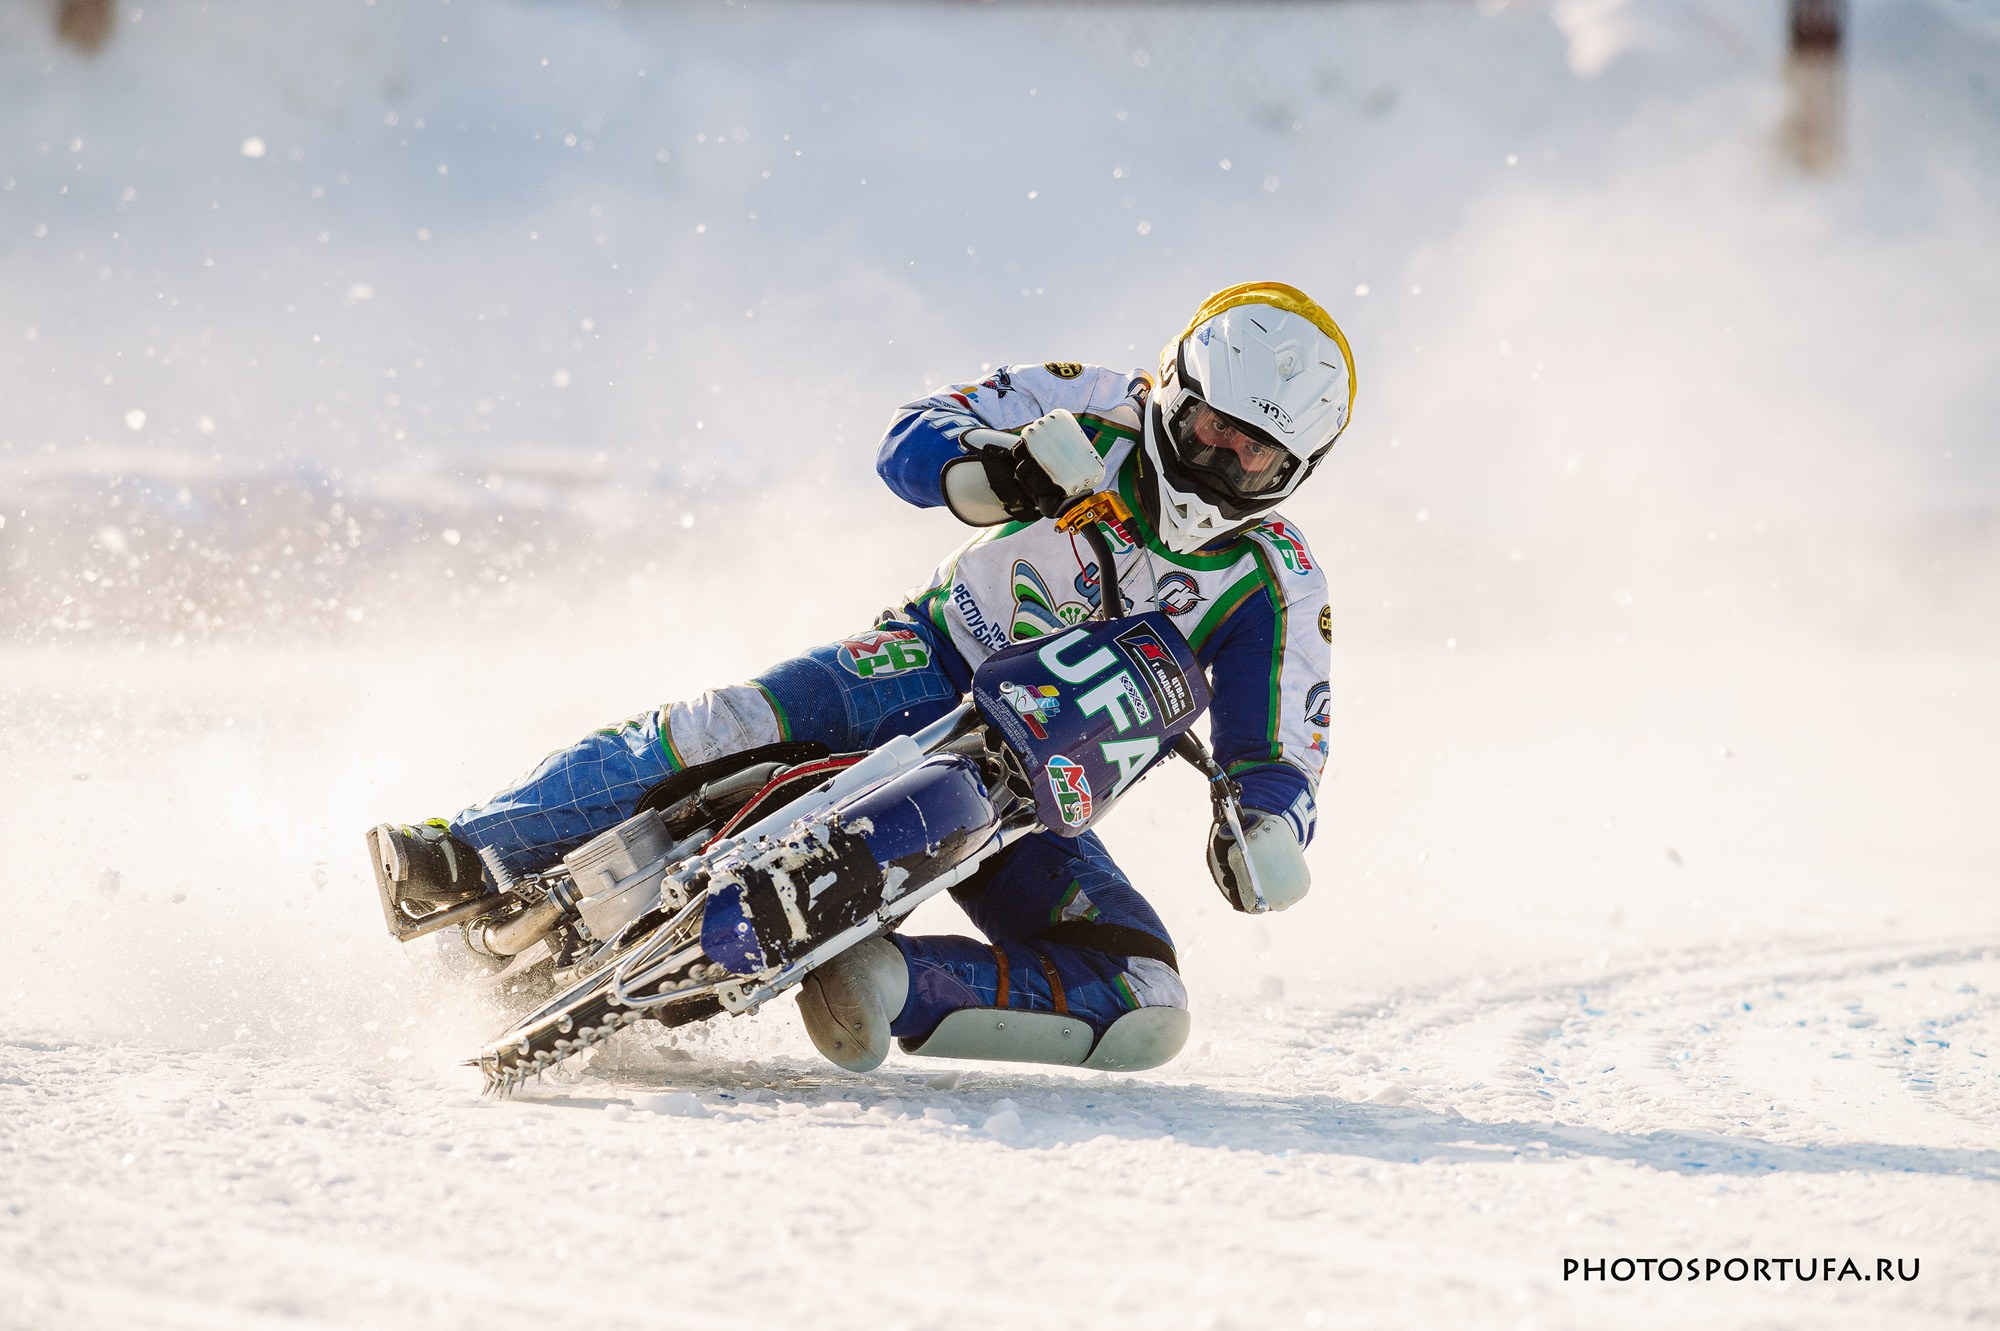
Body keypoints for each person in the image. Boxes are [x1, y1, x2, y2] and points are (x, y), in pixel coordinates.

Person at [368, 281, 1355, 1074]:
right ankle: (467, 849)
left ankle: (881, 977)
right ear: (1171, 389)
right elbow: (909, 436)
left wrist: (1266, 827)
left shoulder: (1276, 582)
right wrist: (999, 469)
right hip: (920, 662)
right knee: (729, 720)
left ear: (1299, 466)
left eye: (1258, 451)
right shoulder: (1086, 400)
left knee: (1146, 1003)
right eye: (1211, 426)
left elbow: (1279, 739)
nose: (1223, 458)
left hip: (1035, 797)